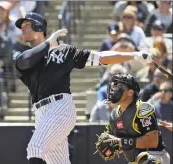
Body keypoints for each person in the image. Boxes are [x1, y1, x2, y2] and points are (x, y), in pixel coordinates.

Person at [13, 12, 153, 164]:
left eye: (27, 25)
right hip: (41, 113)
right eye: (21, 27)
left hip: (59, 107)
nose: (22, 29)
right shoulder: (21, 53)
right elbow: (25, 62)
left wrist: (133, 55)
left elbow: (101, 57)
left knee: (35, 148)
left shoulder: (64, 51)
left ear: (39, 27)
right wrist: (48, 43)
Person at [101, 73, 170, 163]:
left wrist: (122, 141)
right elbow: (120, 144)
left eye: (120, 86)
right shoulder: (114, 114)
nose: (114, 89)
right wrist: (112, 148)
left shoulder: (142, 109)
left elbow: (153, 141)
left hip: (155, 157)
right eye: (114, 86)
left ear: (130, 92)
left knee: (144, 159)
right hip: (135, 160)